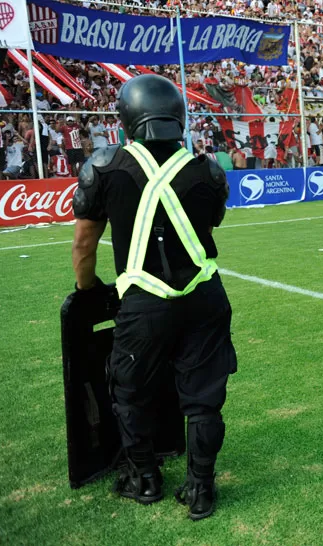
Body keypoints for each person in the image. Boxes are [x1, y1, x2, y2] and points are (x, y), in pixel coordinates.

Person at [70, 75, 237, 520]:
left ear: (126, 118)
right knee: (204, 397)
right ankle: (200, 488)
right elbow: (212, 220)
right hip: (205, 294)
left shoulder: (104, 166)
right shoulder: (209, 169)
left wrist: (87, 290)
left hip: (143, 301)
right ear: (178, 117)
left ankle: (143, 479)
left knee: (129, 390)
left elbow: (84, 245)